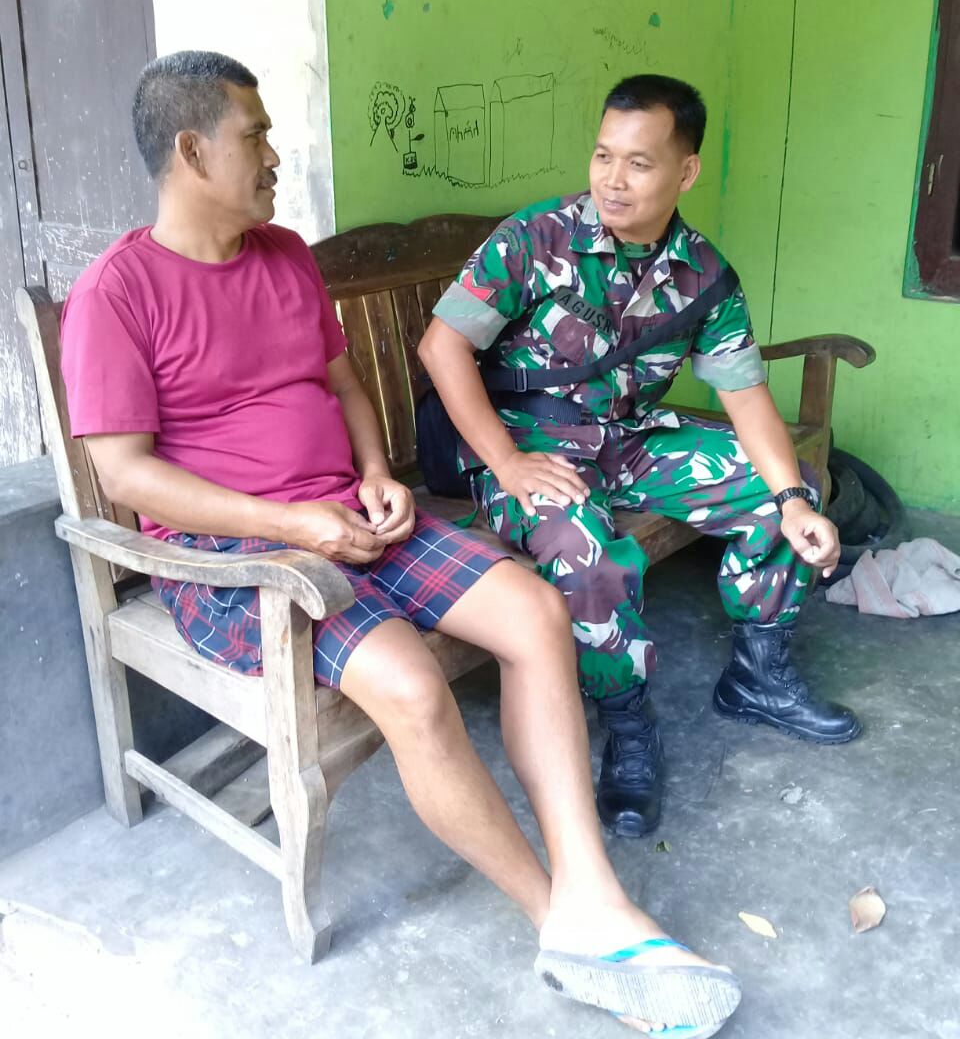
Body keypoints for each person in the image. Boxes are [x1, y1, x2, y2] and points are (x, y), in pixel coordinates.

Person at [58, 51, 741, 1036]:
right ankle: (556, 922)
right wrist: (291, 524)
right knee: (414, 686)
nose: (276, 155)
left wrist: (377, 469)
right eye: (256, 136)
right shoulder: (116, 293)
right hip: (238, 560)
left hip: (352, 513)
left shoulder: (285, 255)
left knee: (536, 613)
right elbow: (125, 475)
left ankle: (592, 888)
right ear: (193, 151)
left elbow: (340, 384)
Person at [418, 73, 861, 841]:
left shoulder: (704, 275)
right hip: (531, 445)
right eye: (603, 155)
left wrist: (793, 499)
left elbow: (744, 393)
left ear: (685, 171)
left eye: (638, 162)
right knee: (584, 550)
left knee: (784, 487)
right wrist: (508, 464)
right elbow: (441, 347)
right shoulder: (536, 238)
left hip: (630, 437)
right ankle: (627, 725)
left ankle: (758, 675)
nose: (613, 180)